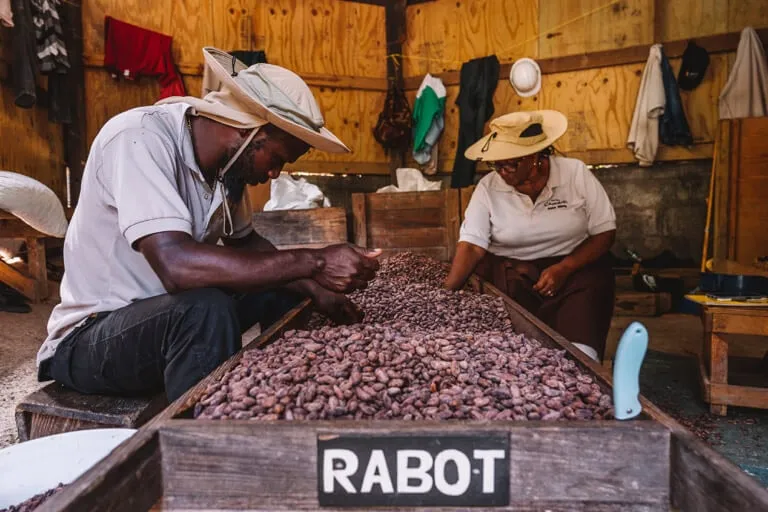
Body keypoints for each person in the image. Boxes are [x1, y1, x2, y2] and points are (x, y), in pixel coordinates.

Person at [37, 47, 381, 401]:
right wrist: (317, 261)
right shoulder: (137, 137)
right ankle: (204, 437)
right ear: (246, 131)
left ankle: (284, 394)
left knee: (275, 281)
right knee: (204, 310)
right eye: (276, 159)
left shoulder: (226, 171)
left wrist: (313, 288)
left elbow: (249, 247)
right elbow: (177, 267)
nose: (274, 174)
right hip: (92, 337)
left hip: (164, 317)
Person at [444, 110, 617, 362]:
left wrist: (564, 268)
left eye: (511, 163)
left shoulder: (574, 174)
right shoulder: (488, 187)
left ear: (535, 156)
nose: (502, 172)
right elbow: (472, 245)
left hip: (576, 271)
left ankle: (582, 369)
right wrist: (446, 291)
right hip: (514, 277)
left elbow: (605, 233)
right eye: (496, 164)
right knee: (516, 353)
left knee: (578, 353)